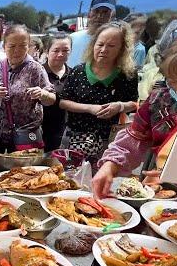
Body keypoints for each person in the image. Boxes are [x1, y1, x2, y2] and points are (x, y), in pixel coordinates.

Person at [92, 0, 177, 198]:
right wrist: (110, 165)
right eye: (173, 80)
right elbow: (132, 140)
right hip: (163, 204)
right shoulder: (161, 99)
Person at [59, 21, 139, 164]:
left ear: (122, 49)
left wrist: (119, 106)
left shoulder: (128, 74)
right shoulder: (78, 71)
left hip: (109, 141)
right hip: (76, 139)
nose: (104, 50)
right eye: (100, 44)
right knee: (72, 179)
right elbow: (63, 102)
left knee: (102, 181)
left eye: (111, 46)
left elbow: (134, 103)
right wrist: (89, 108)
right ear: (93, 45)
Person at [0, 25, 56, 153]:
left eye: (23, 45)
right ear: (4, 47)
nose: (17, 50)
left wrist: (42, 94)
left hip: (24, 135)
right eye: (12, 46)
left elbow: (52, 99)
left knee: (21, 171)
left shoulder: (35, 69)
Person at [42, 33, 72, 151]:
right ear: (47, 51)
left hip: (64, 131)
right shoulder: (37, 72)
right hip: (40, 131)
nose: (60, 54)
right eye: (56, 50)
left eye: (65, 50)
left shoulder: (74, 73)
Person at [67, 0, 116, 68]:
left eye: (105, 12)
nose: (100, 16)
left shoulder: (115, 42)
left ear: (112, 16)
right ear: (90, 13)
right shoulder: (72, 38)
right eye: (96, 11)